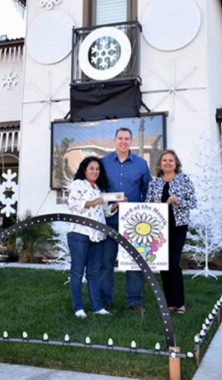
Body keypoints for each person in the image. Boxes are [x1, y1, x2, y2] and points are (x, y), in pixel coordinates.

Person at [101, 127, 152, 313]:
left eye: (127, 139)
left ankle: (135, 301)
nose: (123, 141)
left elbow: (148, 190)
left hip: (134, 223)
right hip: (110, 221)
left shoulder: (141, 164)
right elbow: (99, 192)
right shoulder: (103, 163)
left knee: (135, 262)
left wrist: (141, 211)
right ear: (115, 140)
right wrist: (112, 203)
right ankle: (105, 300)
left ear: (131, 141)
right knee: (106, 262)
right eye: (120, 138)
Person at [145, 150, 197, 314]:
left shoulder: (184, 180)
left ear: (176, 164)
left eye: (171, 160)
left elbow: (193, 202)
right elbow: (148, 204)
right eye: (164, 160)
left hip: (178, 226)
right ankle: (170, 303)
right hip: (159, 227)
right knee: (163, 265)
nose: (168, 163)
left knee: (174, 263)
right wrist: (163, 202)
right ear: (160, 164)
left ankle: (179, 303)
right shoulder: (154, 183)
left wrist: (178, 201)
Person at [67, 156, 117, 318]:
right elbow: (75, 204)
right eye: (91, 168)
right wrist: (97, 200)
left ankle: (98, 307)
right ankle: (78, 308)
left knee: (94, 272)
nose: (95, 171)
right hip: (80, 233)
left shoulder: (98, 189)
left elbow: (105, 212)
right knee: (77, 272)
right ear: (85, 170)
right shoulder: (78, 185)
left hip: (97, 235)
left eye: (97, 169)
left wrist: (115, 204)